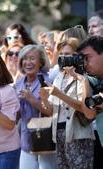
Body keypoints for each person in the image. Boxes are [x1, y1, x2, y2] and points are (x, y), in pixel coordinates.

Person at [39, 38, 94, 169]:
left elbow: (84, 107)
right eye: (62, 54)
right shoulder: (59, 76)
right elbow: (51, 111)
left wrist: (59, 94)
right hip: (59, 134)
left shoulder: (83, 77)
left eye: (68, 54)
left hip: (77, 134)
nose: (64, 58)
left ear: (77, 56)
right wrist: (45, 98)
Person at [14, 44, 57, 169]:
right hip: (26, 141)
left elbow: (52, 112)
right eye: (25, 59)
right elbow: (17, 116)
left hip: (45, 139)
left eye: (32, 58)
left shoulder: (47, 82)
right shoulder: (18, 84)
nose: (28, 62)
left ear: (41, 62)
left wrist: (32, 100)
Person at [76, 36, 103, 169]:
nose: (84, 63)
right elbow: (89, 114)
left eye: (87, 58)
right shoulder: (95, 80)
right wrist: (83, 80)